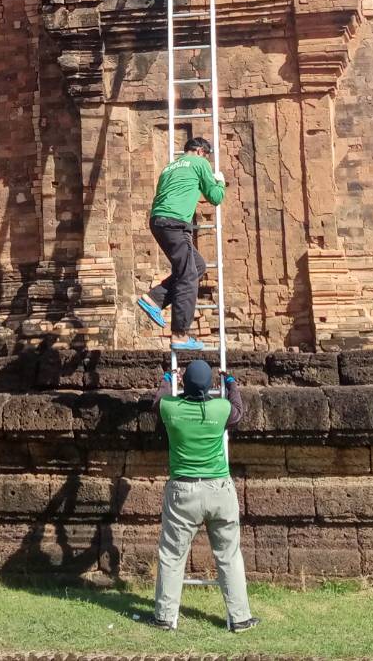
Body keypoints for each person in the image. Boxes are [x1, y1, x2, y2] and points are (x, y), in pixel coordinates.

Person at [149, 359, 256, 633]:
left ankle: (164, 616)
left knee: (172, 554)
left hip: (183, 491)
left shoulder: (170, 409)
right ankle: (240, 617)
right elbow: (239, 411)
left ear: (184, 385)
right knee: (229, 554)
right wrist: (231, 383)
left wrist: (167, 378)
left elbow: (156, 401)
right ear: (210, 386)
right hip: (219, 489)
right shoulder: (220, 409)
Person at [138, 136, 225, 352]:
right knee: (188, 276)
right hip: (175, 223)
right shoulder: (200, 163)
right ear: (199, 151)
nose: (207, 159)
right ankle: (180, 334)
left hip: (159, 221)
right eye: (206, 155)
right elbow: (215, 197)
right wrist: (220, 181)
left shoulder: (169, 167)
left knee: (197, 267)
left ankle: (154, 299)